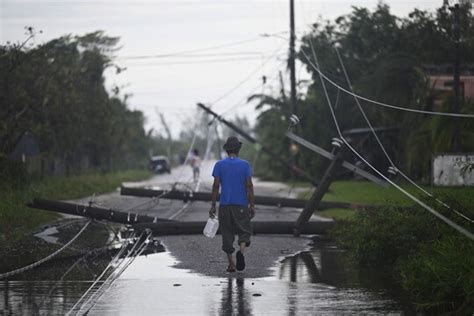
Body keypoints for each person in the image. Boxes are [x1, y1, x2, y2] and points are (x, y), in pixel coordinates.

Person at [210, 136, 255, 272]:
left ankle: (231, 264)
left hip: (225, 206)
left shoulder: (219, 165)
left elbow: (216, 186)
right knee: (244, 231)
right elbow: (249, 186)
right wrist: (252, 205)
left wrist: (213, 205)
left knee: (227, 234)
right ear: (238, 149)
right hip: (241, 205)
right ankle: (241, 251)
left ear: (227, 151)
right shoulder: (245, 165)